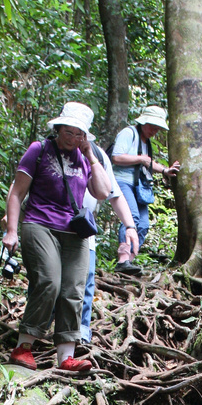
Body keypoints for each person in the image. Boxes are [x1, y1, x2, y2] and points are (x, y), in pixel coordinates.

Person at [2, 102, 111, 373]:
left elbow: (102, 192)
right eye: (69, 132)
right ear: (58, 128)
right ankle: (23, 346)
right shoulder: (38, 150)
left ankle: (66, 357)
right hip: (39, 224)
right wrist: (12, 231)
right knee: (49, 281)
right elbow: (16, 193)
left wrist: (91, 155)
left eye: (79, 134)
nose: (73, 138)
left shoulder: (86, 155)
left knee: (73, 289)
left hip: (75, 231)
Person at [79, 142, 140, 344]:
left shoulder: (97, 155)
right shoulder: (48, 149)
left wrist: (130, 226)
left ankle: (81, 333)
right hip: (52, 226)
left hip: (84, 228)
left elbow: (114, 194)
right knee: (51, 281)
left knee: (86, 282)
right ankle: (42, 329)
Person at [110, 104, 180, 274]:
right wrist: (140, 159)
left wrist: (164, 170)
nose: (154, 131)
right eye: (152, 126)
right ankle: (123, 260)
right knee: (131, 217)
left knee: (143, 224)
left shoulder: (146, 142)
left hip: (139, 185)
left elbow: (147, 162)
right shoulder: (129, 133)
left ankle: (129, 263)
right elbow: (116, 157)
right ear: (143, 122)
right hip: (123, 182)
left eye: (157, 128)